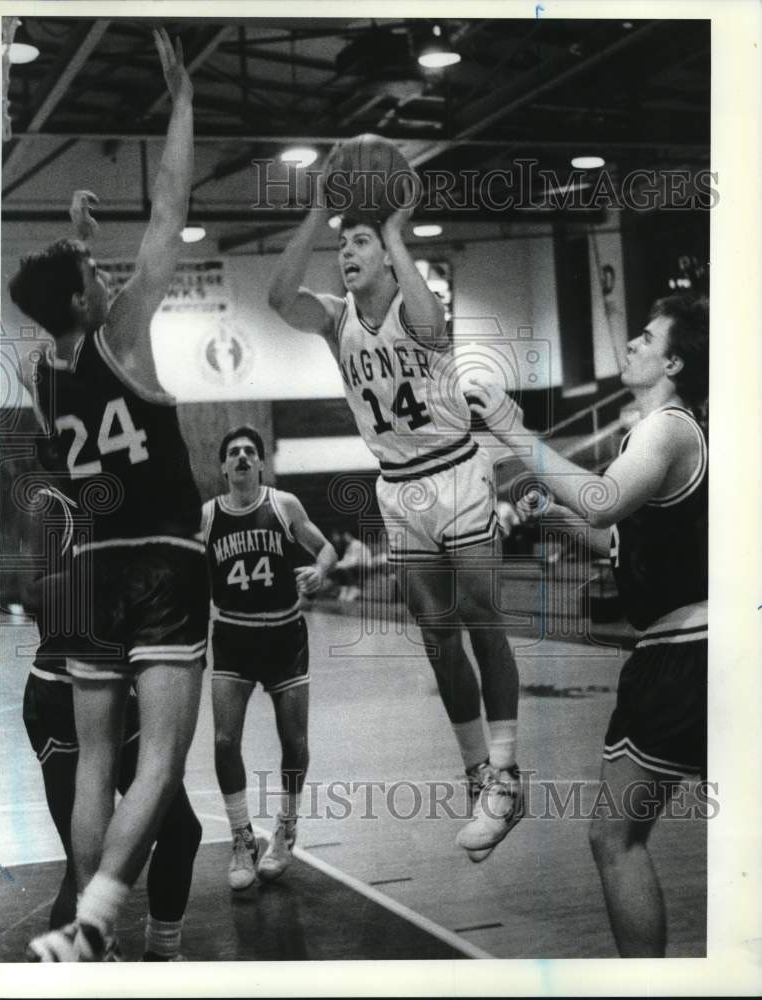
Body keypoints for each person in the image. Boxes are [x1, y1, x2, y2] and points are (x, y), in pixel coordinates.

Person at [9, 30, 209, 962]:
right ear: (92, 301)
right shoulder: (123, 329)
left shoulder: (39, 370)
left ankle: (98, 937)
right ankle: (95, 916)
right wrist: (181, 104)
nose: (105, 275)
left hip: (88, 577)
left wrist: (75, 247)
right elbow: (170, 210)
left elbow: (63, 310)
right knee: (161, 760)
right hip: (162, 557)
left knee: (97, 761)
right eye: (95, 275)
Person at [268, 161, 524, 861]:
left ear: (384, 252)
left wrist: (393, 227)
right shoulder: (334, 318)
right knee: (438, 638)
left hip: (455, 472)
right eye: (341, 246)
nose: (345, 255)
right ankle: (479, 777)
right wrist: (319, 212)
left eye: (358, 244)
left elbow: (432, 322)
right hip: (399, 487)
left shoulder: (416, 299)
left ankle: (506, 769)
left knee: (481, 621)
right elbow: (275, 296)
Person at [465, 294, 708, 956]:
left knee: (613, 837)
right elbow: (615, 542)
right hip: (690, 649)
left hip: (687, 654)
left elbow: (602, 503)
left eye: (646, 338)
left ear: (675, 362)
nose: (630, 343)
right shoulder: (658, 435)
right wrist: (546, 508)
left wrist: (513, 431)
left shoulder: (668, 428)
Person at [19, 481, 201, 962]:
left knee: (181, 831)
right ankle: (81, 969)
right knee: (84, 871)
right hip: (60, 691)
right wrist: (101, 581)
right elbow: (21, 593)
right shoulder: (50, 505)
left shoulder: (129, 501)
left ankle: (162, 956)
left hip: (118, 685)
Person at [202, 427, 336, 888]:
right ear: (223, 467)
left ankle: (286, 827)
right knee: (223, 742)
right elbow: (187, 576)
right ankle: (242, 839)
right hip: (234, 637)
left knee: (294, 744)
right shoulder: (207, 518)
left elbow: (326, 549)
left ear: (260, 464)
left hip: (284, 637)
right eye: (233, 452)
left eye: (249, 452)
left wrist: (320, 571)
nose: (241, 457)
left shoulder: (284, 505)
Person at [330, 527, 373, 601]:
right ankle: (344, 591)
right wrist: (336, 565)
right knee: (340, 570)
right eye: (344, 536)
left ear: (350, 536)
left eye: (346, 536)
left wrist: (337, 565)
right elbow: (346, 560)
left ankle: (352, 591)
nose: (344, 538)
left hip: (365, 566)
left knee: (345, 570)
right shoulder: (349, 546)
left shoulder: (356, 544)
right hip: (357, 566)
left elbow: (353, 562)